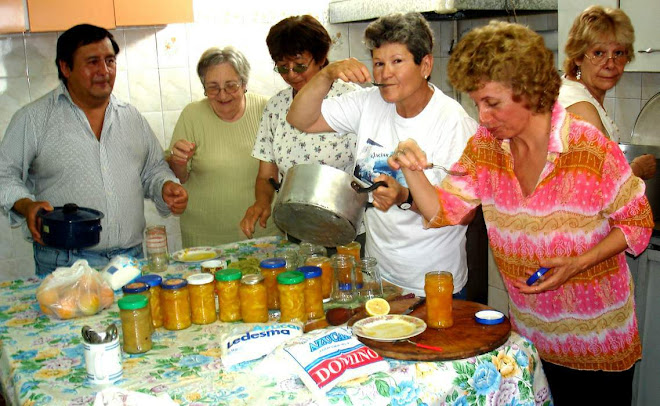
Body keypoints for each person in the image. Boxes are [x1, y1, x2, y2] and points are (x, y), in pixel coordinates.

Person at [388, 21, 654, 405]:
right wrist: (411, 168)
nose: (481, 117)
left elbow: (637, 223)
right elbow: (444, 211)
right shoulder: (486, 147)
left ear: (529, 92)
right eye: (477, 102)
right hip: (529, 341)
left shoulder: (587, 148)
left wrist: (578, 263)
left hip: (596, 344)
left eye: (491, 103)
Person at [287, 12, 477, 297]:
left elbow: (458, 215)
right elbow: (300, 119)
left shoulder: (455, 123)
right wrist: (327, 74)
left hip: (434, 283)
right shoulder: (369, 103)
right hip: (379, 277)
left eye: (397, 61)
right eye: (378, 63)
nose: (384, 73)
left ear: (425, 65)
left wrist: (404, 197)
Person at [0, 24, 188, 276]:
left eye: (110, 61)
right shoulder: (34, 119)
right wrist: (26, 205)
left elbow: (152, 170)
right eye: (92, 62)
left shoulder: (131, 118)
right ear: (66, 68)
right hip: (64, 263)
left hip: (128, 261)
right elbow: (4, 175)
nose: (104, 71)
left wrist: (165, 186)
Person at [239, 15, 359, 249]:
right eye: (283, 67)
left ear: (322, 58)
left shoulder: (351, 99)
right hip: (298, 229)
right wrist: (261, 202)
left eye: (300, 65)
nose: (291, 74)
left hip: (349, 231)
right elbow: (267, 174)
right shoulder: (276, 107)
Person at [167, 46, 280, 246]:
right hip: (204, 238)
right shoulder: (192, 115)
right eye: (213, 87)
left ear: (244, 83)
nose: (222, 95)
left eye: (231, 86)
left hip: (262, 233)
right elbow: (181, 175)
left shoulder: (267, 109)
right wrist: (178, 160)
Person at [559, 5, 656, 180]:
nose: (610, 64)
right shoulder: (581, 109)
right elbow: (594, 190)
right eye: (599, 53)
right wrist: (637, 170)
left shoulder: (573, 91)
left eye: (618, 53)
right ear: (578, 57)